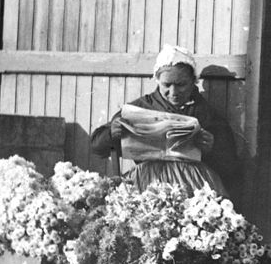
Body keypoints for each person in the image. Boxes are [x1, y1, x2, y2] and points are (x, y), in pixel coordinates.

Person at [90, 45, 242, 199]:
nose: (174, 92)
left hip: (194, 183)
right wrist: (111, 134)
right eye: (167, 85)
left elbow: (230, 165)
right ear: (158, 81)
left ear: (193, 81)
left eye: (181, 85)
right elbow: (97, 147)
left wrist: (211, 148)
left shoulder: (206, 113)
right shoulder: (141, 108)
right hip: (149, 180)